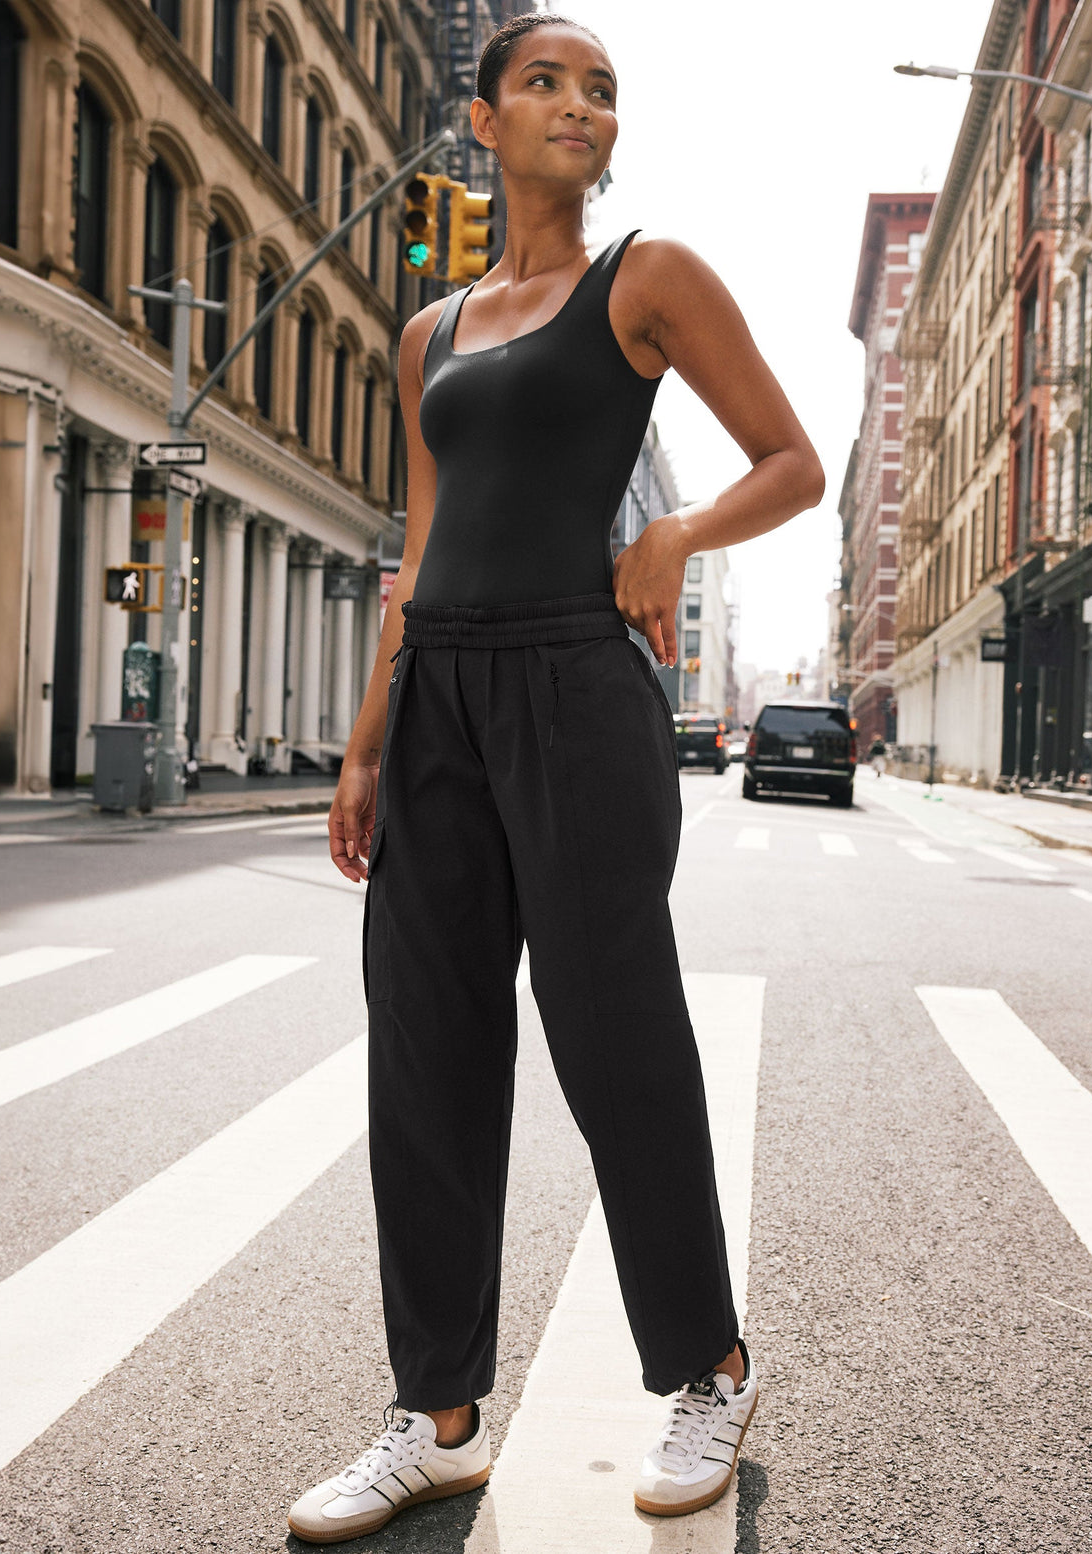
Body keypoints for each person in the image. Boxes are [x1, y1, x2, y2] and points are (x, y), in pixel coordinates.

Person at [287, 11, 824, 1544]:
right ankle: (437, 1415)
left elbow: (794, 459)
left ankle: (706, 1367)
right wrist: (374, 736)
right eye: (545, 81)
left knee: (613, 1032)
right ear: (484, 117)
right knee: (428, 1050)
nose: (578, 105)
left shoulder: (645, 278)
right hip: (441, 689)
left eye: (601, 89)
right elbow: (421, 542)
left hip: (580, 689)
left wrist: (672, 539)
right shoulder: (430, 333)